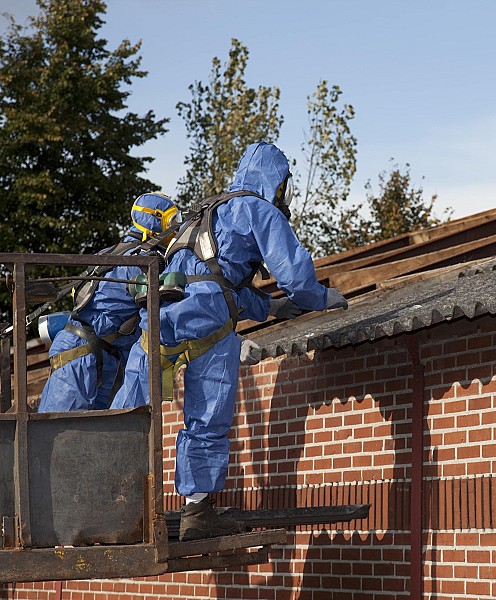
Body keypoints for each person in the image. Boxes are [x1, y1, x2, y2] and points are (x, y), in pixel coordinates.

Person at [111, 142, 348, 542]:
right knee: (207, 413)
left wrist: (271, 308)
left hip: (158, 317)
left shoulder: (208, 212)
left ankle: (106, 502)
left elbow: (215, 279)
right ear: (277, 182)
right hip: (208, 321)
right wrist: (320, 298)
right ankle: (198, 512)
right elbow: (294, 276)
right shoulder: (260, 209)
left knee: (127, 415)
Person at [38, 193, 179, 412]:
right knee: (57, 435)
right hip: (81, 353)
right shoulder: (145, 262)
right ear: (155, 220)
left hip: (100, 355)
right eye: (172, 220)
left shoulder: (113, 253)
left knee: (94, 438)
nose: (175, 227)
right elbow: (171, 311)